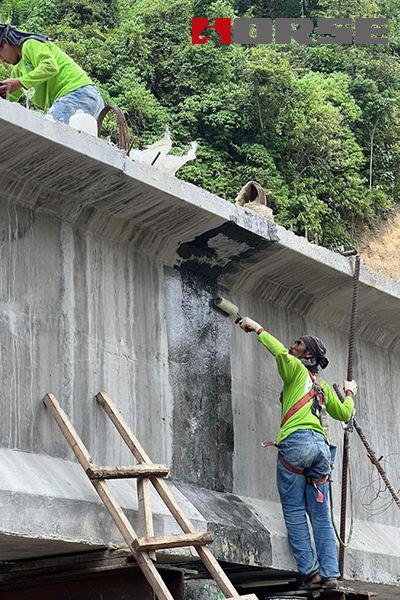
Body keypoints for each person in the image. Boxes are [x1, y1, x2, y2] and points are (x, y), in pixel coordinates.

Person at [238, 317, 356, 590]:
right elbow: (345, 413)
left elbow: (278, 351)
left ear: (308, 355)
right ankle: (331, 575)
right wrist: (349, 392)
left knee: (293, 510)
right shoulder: (323, 387)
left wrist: (257, 329)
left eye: (298, 344)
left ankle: (311, 572)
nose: (292, 346)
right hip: (321, 451)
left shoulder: (294, 370)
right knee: (321, 515)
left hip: (297, 445)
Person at [0, 24, 104, 124]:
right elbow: (9, 98)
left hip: (77, 94)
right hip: (83, 99)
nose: (2, 60)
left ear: (5, 42)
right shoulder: (17, 71)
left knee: (50, 134)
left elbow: (50, 66)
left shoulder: (30, 44)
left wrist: (20, 82)